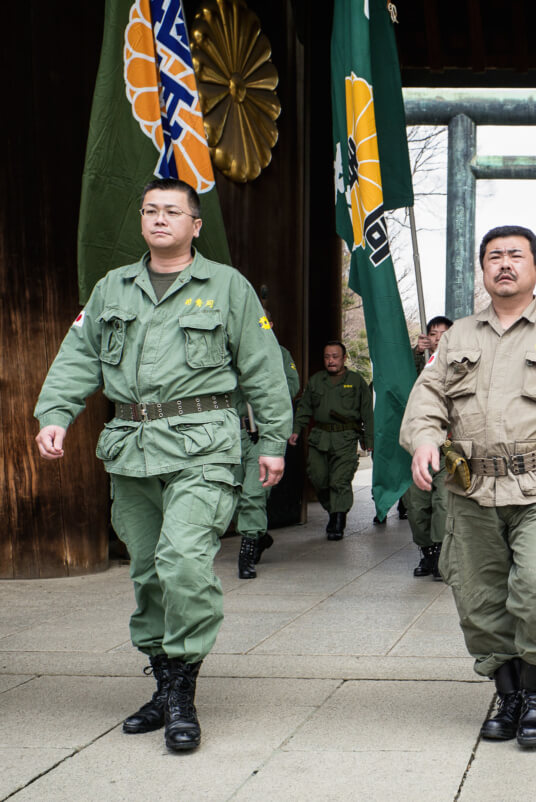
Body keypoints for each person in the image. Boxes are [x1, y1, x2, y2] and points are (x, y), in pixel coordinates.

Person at [33, 177, 291, 752]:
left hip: (203, 448)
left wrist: (272, 439)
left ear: (194, 225)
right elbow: (78, 356)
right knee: (147, 572)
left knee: (183, 563)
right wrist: (56, 413)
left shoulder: (227, 287)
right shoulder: (112, 289)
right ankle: (163, 682)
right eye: (151, 210)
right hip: (132, 448)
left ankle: (183, 696)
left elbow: (262, 366)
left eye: (173, 211)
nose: (159, 219)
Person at [400, 225, 536, 748]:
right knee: (478, 600)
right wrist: (427, 438)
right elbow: (427, 398)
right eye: (494, 256)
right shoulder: (456, 337)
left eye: (515, 256)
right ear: (483, 270)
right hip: (471, 489)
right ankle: (509, 692)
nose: (504, 264)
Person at [233, 315, 301, 579]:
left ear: (271, 326)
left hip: (263, 432)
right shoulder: (232, 354)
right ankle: (260, 536)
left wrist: (261, 383)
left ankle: (247, 552)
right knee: (235, 494)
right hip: (234, 432)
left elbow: (291, 387)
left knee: (253, 492)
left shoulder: (279, 354)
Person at [289, 341, 373, 540]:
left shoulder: (356, 381)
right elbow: (305, 408)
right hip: (320, 437)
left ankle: (338, 519)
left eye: (335, 356)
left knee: (340, 481)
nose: (331, 361)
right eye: (327, 357)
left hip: (345, 438)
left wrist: (368, 439)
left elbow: (367, 412)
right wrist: (296, 430)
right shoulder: (317, 381)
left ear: (344, 358)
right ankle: (333, 509)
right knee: (318, 477)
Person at [403, 315, 454, 578]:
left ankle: (442, 556)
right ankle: (428, 552)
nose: (438, 339)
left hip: (448, 450)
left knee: (443, 504)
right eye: (433, 334)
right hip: (420, 448)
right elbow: (401, 382)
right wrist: (416, 353)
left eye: (444, 334)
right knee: (416, 506)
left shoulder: (460, 363)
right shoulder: (421, 363)